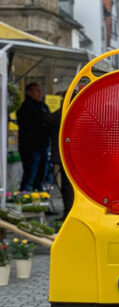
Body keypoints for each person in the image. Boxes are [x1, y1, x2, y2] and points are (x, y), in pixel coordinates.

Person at [17, 82, 51, 192]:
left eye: (40, 90)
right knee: (30, 175)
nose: (40, 93)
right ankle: (24, 196)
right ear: (29, 92)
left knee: (41, 175)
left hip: (43, 146)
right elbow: (30, 126)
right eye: (36, 91)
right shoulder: (25, 108)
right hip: (30, 148)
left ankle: (38, 198)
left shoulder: (43, 106)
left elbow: (48, 121)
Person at [49, 92, 73, 220]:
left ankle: (68, 213)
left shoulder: (60, 115)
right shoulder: (68, 114)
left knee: (67, 187)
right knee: (67, 187)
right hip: (66, 156)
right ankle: (68, 213)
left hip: (65, 156)